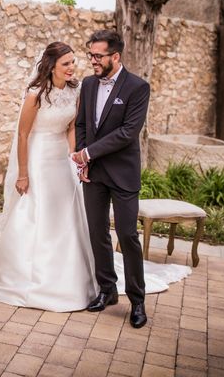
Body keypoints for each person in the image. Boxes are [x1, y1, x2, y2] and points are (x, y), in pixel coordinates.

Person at [0, 40, 190, 315]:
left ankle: (133, 301)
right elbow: (23, 135)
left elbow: (74, 128)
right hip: (40, 158)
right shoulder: (36, 95)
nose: (75, 66)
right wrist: (23, 172)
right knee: (45, 217)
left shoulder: (80, 89)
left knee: (97, 226)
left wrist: (75, 157)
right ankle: (47, 279)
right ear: (51, 65)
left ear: (114, 56)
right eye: (67, 63)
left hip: (71, 162)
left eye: (79, 60)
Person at [72, 29, 149, 328]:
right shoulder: (89, 84)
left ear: (115, 56)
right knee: (97, 232)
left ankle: (138, 301)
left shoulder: (138, 87)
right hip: (94, 173)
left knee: (128, 235)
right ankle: (108, 289)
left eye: (98, 56)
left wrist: (88, 153)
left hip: (123, 172)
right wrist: (82, 156)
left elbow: (128, 132)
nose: (92, 60)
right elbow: (81, 124)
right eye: (90, 54)